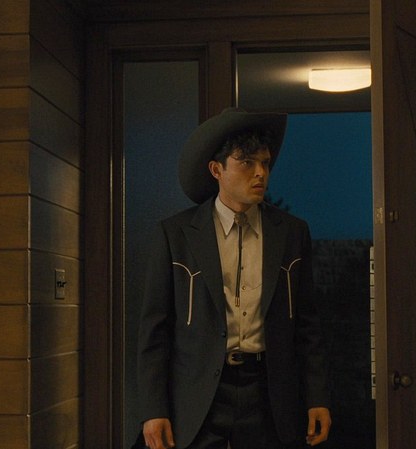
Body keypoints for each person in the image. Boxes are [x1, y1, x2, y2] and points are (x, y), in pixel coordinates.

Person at [137, 108, 332, 449]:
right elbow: (156, 330)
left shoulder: (291, 232)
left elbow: (307, 325)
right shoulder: (176, 234)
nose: (260, 173)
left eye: (265, 163)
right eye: (246, 163)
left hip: (269, 391)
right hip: (198, 393)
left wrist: (317, 397)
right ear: (217, 170)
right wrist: (154, 409)